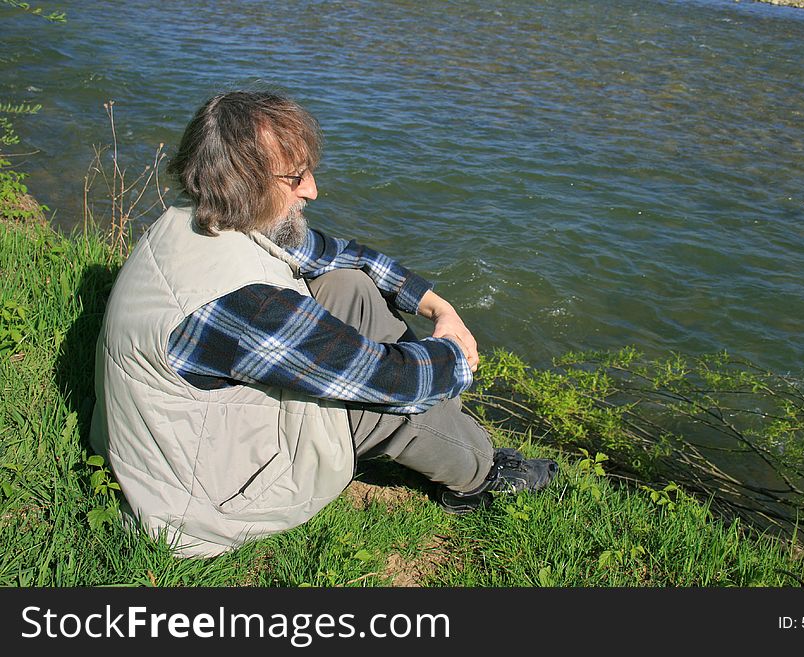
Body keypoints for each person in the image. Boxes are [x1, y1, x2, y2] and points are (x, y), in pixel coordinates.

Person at [89, 90, 558, 558]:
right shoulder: (244, 306)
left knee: (345, 285)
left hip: (175, 449)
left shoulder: (199, 220)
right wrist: (456, 355)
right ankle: (481, 477)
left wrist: (438, 307)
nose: (311, 190)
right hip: (201, 505)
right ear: (243, 182)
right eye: (295, 178)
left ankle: (451, 431)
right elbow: (394, 380)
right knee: (381, 399)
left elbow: (340, 255)